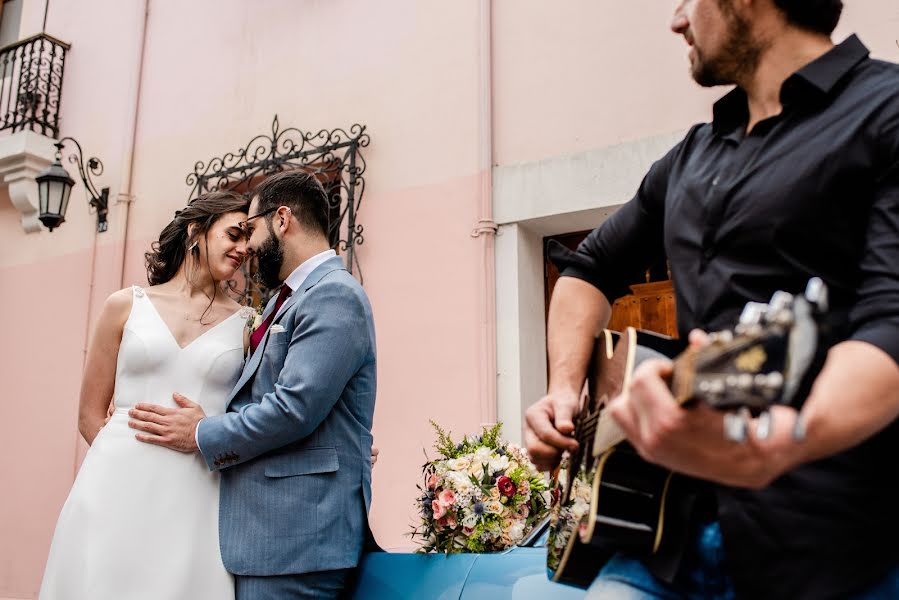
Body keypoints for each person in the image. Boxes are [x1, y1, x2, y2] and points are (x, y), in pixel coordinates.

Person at [524, 1, 899, 599]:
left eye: (686, 1)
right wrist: (565, 393)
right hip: (662, 537)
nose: (677, 22)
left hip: (833, 550)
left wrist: (780, 443)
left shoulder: (887, 112)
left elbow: (890, 327)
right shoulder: (691, 157)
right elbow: (585, 269)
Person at [128, 170, 378, 600]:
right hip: (268, 540)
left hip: (296, 543)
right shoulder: (289, 299)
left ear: (282, 220)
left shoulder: (333, 294)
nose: (247, 247)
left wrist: (201, 432)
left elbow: (293, 409)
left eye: (251, 228)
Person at [39, 191, 253, 599]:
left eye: (247, 238)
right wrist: (126, 473)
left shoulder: (247, 325)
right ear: (197, 231)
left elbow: (252, 415)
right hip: (112, 492)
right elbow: (88, 414)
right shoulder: (124, 306)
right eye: (233, 234)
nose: (243, 248)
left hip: (197, 500)